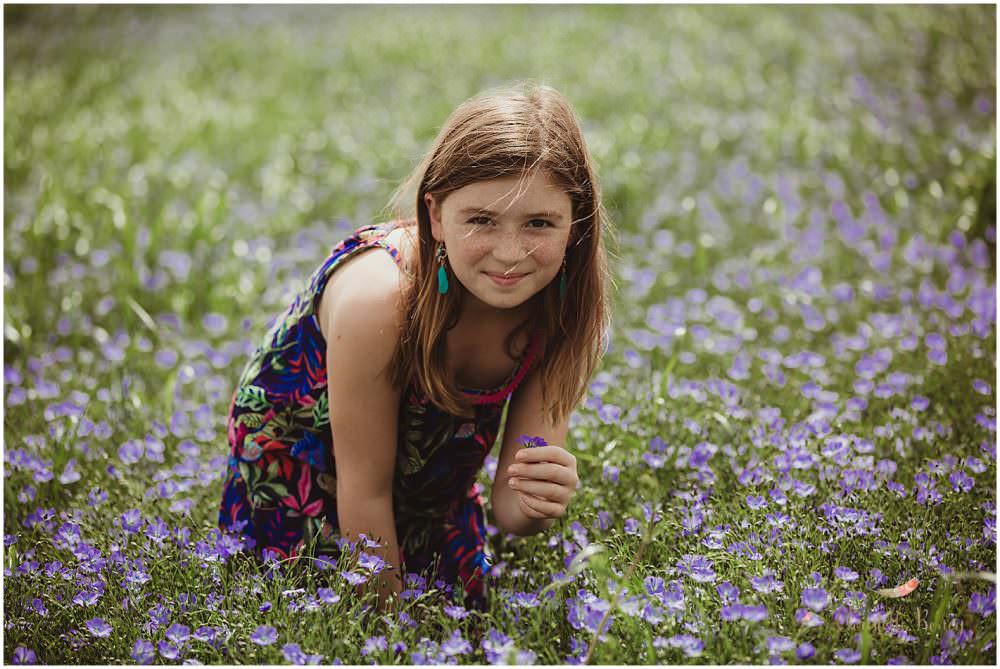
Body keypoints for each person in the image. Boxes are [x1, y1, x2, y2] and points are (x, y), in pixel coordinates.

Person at [218, 82, 611, 612]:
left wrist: (539, 501)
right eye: (481, 220)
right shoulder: (379, 301)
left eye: (539, 223)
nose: (511, 253)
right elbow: (365, 491)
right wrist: (389, 637)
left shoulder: (559, 309)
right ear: (435, 215)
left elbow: (510, 509)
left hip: (427, 493)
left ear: (574, 224)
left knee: (461, 619)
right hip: (302, 482)